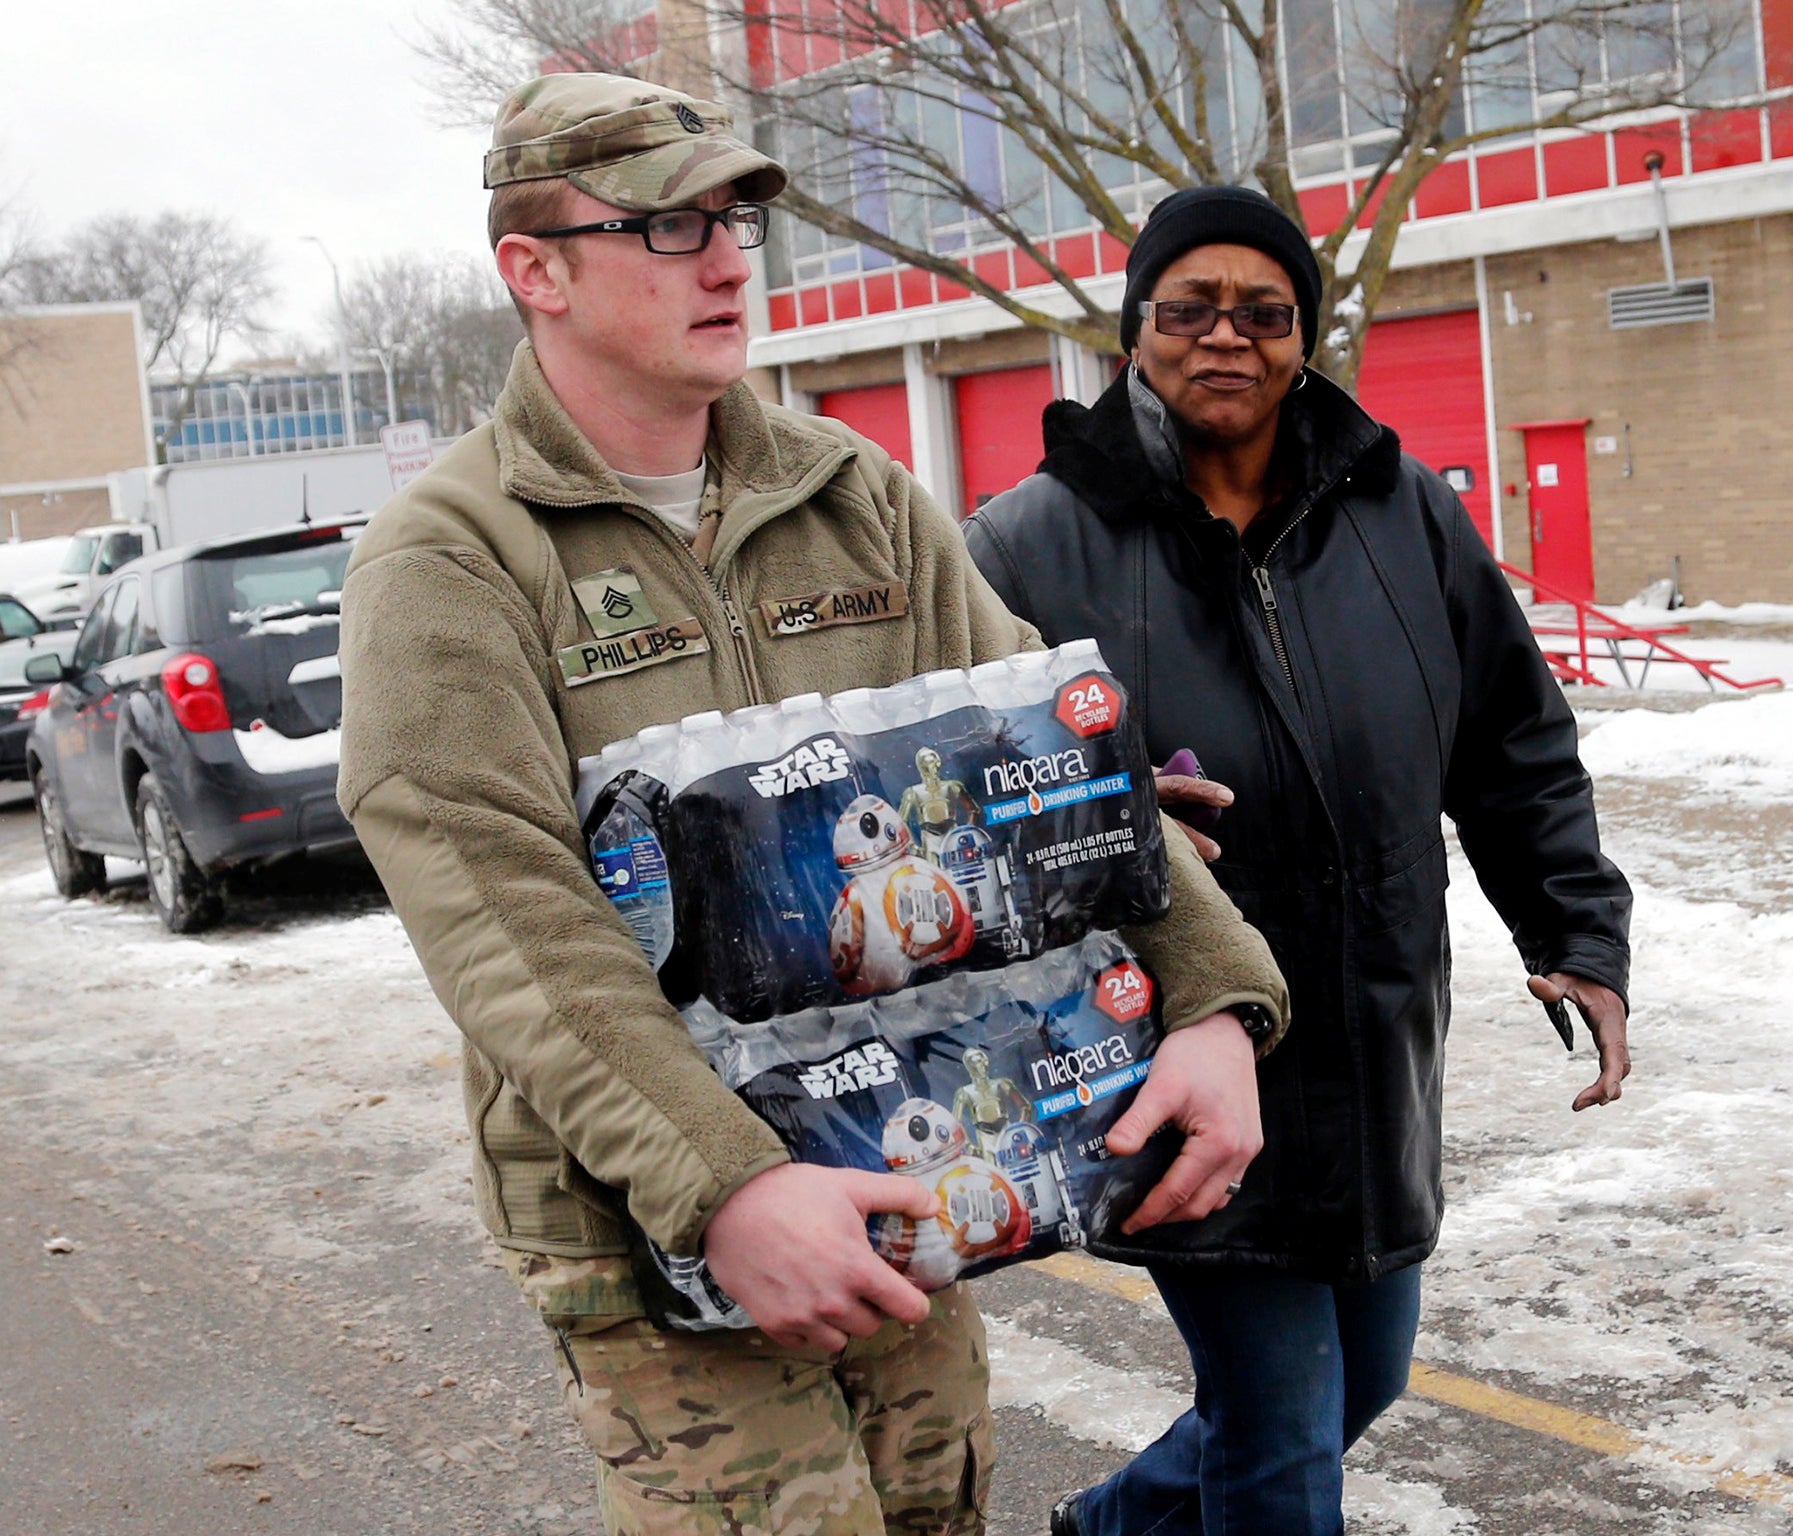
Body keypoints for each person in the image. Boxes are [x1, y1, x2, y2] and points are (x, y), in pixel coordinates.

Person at [337, 84, 1291, 1536]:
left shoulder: (855, 495)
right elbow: (501, 909)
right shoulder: (456, 554)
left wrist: (1215, 1001)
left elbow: (1053, 766)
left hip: (909, 1152)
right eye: (665, 225)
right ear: (534, 269)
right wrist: (726, 1184)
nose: (727, 261)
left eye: (734, 219)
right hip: (661, 1218)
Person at [964, 185, 1635, 1536]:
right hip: (1171, 1055)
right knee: (1280, 1443)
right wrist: (1095, 825)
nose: (1227, 336)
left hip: (1376, 1031)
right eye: (1188, 308)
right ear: (1134, 330)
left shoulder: (1404, 514)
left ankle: (1113, 1527)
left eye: (1263, 311)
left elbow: (1512, 740)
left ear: (1304, 336)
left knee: (1357, 1384)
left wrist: (1575, 932)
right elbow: (961, 813)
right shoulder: (1019, 547)